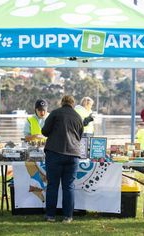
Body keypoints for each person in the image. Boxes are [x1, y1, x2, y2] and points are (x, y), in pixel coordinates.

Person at [42, 95, 83, 223]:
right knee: (69, 186)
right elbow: (79, 136)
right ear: (72, 103)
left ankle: (50, 216)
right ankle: (68, 216)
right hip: (73, 154)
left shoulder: (55, 113)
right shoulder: (78, 117)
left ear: (62, 102)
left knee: (53, 185)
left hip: (54, 152)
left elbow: (45, 131)